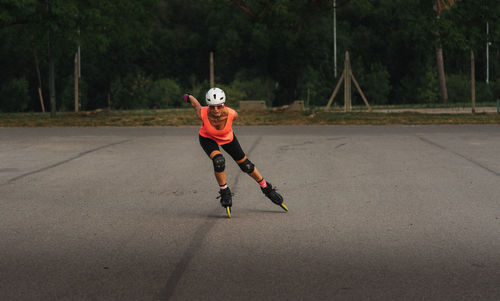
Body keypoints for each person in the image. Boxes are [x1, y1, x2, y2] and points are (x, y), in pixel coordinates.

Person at [184, 87, 288, 216]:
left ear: (224, 104)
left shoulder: (232, 114)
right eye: (212, 107)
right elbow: (195, 104)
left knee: (246, 166)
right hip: (207, 138)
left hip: (228, 138)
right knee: (219, 161)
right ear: (208, 106)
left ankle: (267, 188)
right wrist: (187, 96)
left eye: (219, 106)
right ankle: (225, 192)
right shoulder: (202, 113)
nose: (215, 110)